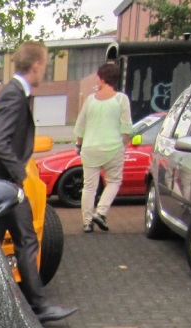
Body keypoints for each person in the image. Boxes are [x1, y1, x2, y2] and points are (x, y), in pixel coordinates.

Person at [0, 41, 76, 324]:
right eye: (45, 64)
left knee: (20, 241)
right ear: (35, 65)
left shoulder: (13, 94)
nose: (45, 70)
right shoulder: (13, 96)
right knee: (6, 244)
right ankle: (32, 305)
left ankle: (36, 304)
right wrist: (20, 175)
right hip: (2, 188)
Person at [73, 62, 133, 234]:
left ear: (102, 78)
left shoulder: (90, 100)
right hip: (113, 147)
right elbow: (127, 128)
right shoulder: (121, 99)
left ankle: (86, 222)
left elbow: (80, 125)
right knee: (114, 181)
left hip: (90, 148)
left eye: (98, 78)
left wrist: (79, 144)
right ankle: (100, 212)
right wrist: (124, 144)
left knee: (89, 187)